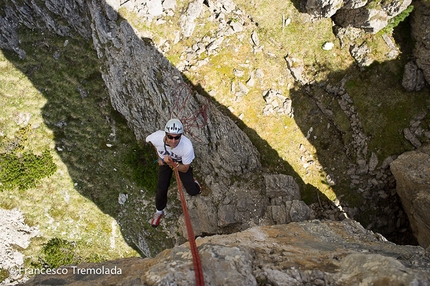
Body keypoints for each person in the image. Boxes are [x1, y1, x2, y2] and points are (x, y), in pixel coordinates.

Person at [145, 118, 202, 227]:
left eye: (177, 137)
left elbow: (185, 168)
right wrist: (160, 158)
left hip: (179, 163)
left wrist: (171, 163)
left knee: (192, 191)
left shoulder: (187, 147)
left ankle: (196, 185)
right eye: (170, 137)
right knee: (161, 188)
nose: (173, 141)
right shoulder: (156, 137)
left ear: (181, 136)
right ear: (166, 134)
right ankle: (159, 211)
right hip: (166, 160)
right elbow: (154, 144)